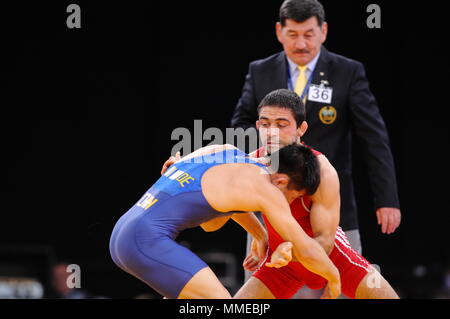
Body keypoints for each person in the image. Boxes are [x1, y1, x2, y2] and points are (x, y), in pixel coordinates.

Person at [231, 0, 401, 259]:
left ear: (324, 31)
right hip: (271, 198)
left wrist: (387, 197)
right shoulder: (259, 71)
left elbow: (373, 137)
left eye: (309, 35)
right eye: (293, 35)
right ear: (279, 32)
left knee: (343, 285)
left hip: (332, 200)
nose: (301, 44)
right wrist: (275, 146)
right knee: (265, 284)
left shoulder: (348, 72)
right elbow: (240, 126)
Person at [110, 143, 341, 299]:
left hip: (123, 233)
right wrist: (333, 276)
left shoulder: (227, 151)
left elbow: (214, 218)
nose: (289, 202)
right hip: (145, 241)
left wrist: (260, 234)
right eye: (294, 196)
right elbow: (307, 248)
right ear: (281, 181)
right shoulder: (266, 189)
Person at [232, 89, 398, 299]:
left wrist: (291, 251)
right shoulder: (248, 166)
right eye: (265, 124)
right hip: (282, 264)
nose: (271, 132)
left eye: (281, 124)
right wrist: (260, 237)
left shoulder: (323, 171)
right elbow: (230, 207)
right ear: (257, 126)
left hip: (330, 258)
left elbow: (325, 242)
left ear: (301, 128)